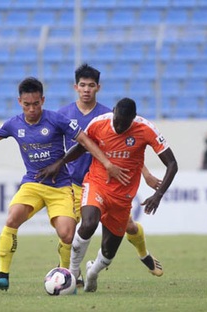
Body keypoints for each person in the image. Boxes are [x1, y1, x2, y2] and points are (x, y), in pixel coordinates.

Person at [0, 77, 128, 291]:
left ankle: (67, 277)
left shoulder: (56, 119)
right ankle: (3, 275)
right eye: (27, 104)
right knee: (12, 217)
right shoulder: (14, 124)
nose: (32, 108)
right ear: (20, 102)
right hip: (32, 184)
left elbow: (85, 141)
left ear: (42, 100)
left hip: (61, 186)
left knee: (67, 233)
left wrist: (107, 163)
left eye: (36, 103)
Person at [38, 97, 178, 293]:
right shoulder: (98, 123)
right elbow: (81, 146)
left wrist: (159, 194)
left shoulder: (146, 129)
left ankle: (92, 273)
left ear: (133, 119)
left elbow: (172, 164)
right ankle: (72, 272)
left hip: (123, 196)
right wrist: (60, 163)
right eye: (117, 121)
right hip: (97, 184)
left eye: (125, 123)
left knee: (108, 253)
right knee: (88, 223)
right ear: (113, 112)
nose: (120, 127)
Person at [57, 64, 164, 283]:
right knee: (70, 231)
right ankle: (69, 273)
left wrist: (145, 173)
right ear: (75, 87)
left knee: (129, 226)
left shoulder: (109, 115)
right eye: (83, 85)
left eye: (91, 85)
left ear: (98, 87)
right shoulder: (63, 115)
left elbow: (127, 153)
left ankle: (143, 254)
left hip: (107, 183)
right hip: (74, 182)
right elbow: (59, 147)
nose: (87, 89)